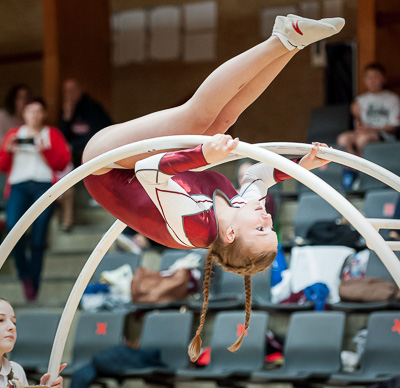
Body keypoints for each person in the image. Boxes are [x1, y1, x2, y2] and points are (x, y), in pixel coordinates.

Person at [82, 14, 344, 361]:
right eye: (271, 226)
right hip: (150, 164)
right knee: (223, 120)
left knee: (193, 120)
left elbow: (149, 171)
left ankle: (281, 39)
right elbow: (257, 176)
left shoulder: (196, 225)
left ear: (232, 235)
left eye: (262, 228)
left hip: (107, 166)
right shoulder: (240, 210)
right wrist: (302, 166)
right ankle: (291, 43)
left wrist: (201, 153)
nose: (267, 215)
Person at [0, 98, 71, 302]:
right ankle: (25, 276)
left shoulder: (52, 134)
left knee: (39, 238)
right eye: (30, 111)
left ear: (44, 114)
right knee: (13, 229)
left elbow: (62, 162)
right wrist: (7, 149)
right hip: (18, 187)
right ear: (24, 114)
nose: (34, 115)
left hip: (43, 186)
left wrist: (44, 149)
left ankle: (35, 282)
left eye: (38, 111)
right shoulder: (14, 134)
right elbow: (2, 165)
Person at [0, 298, 66, 387]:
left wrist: (44, 387)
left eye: (14, 322)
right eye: (1, 320)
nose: (12, 326)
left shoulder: (16, 371)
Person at [337, 63, 400, 156]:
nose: (372, 81)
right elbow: (359, 126)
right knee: (343, 138)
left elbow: (394, 127)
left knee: (362, 139)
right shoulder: (360, 100)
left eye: (376, 77)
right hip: (363, 133)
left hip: (383, 135)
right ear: (364, 80)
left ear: (383, 79)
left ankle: (362, 168)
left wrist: (373, 128)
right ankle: (352, 167)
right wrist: (356, 115)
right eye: (369, 77)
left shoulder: (393, 99)